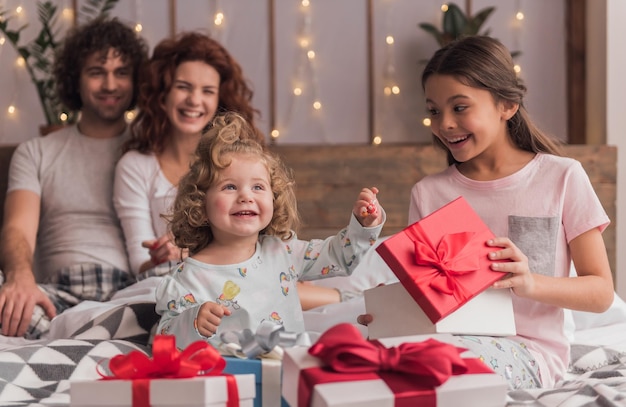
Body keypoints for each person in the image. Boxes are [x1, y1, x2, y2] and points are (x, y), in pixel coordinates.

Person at [359, 35, 614, 389]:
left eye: (459, 107)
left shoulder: (562, 177)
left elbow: (601, 293)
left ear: (506, 105)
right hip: (444, 340)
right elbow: (427, 297)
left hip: (531, 351)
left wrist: (529, 283)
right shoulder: (429, 193)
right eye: (434, 111)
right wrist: (388, 320)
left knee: (435, 363)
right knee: (375, 360)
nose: (443, 123)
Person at [155, 112, 385, 350]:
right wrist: (192, 321)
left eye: (258, 187)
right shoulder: (188, 278)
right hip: (234, 377)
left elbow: (339, 256)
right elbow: (163, 338)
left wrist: (362, 225)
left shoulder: (284, 251)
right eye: (230, 186)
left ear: (274, 199)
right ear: (200, 203)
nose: (246, 196)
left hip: (289, 368)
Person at [0, 17, 148, 339]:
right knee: (8, 301)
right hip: (55, 301)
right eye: (97, 72)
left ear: (136, 81)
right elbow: (17, 230)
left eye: (121, 73)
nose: (110, 85)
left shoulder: (151, 149)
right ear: (75, 80)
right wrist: (20, 278)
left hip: (132, 298)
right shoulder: (36, 152)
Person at [113, 31, 263, 277]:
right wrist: (161, 257)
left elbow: (260, 239)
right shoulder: (135, 166)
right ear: (163, 96)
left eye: (207, 91)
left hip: (245, 274)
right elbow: (139, 264)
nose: (194, 100)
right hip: (171, 283)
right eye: (183, 87)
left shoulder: (236, 161)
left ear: (219, 101)